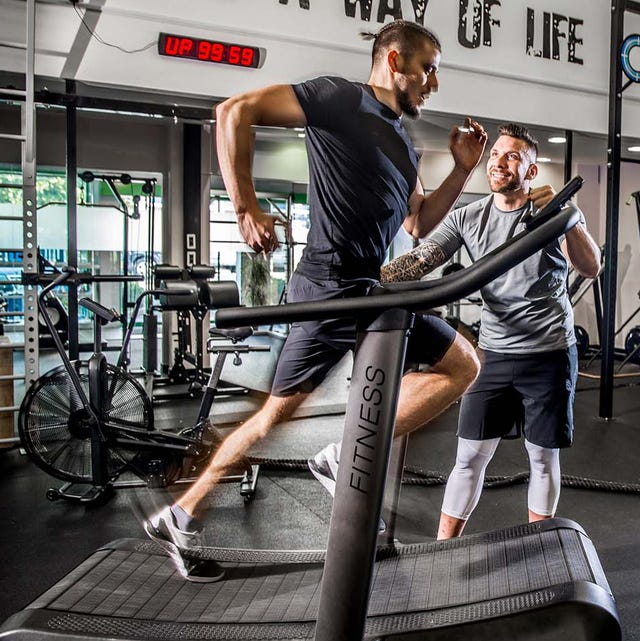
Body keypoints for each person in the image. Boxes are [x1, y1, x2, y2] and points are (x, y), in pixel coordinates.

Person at [144, 19, 488, 581]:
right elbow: (235, 110)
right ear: (394, 62)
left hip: (369, 288)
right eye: (427, 68)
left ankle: (342, 454)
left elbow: (420, 222)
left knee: (462, 364)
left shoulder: (402, 140)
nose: (434, 83)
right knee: (273, 417)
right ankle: (181, 514)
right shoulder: (340, 98)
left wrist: (463, 168)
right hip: (329, 287)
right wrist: (245, 207)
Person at [371, 122, 599, 539]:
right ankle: (444, 549)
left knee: (542, 458)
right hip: (492, 353)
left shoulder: (555, 212)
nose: (498, 162)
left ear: (531, 171)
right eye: (496, 154)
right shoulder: (468, 218)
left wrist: (566, 220)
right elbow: (418, 262)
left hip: (548, 351)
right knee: (470, 456)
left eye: (512, 156)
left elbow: (591, 266)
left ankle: (539, 547)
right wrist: (363, 285)